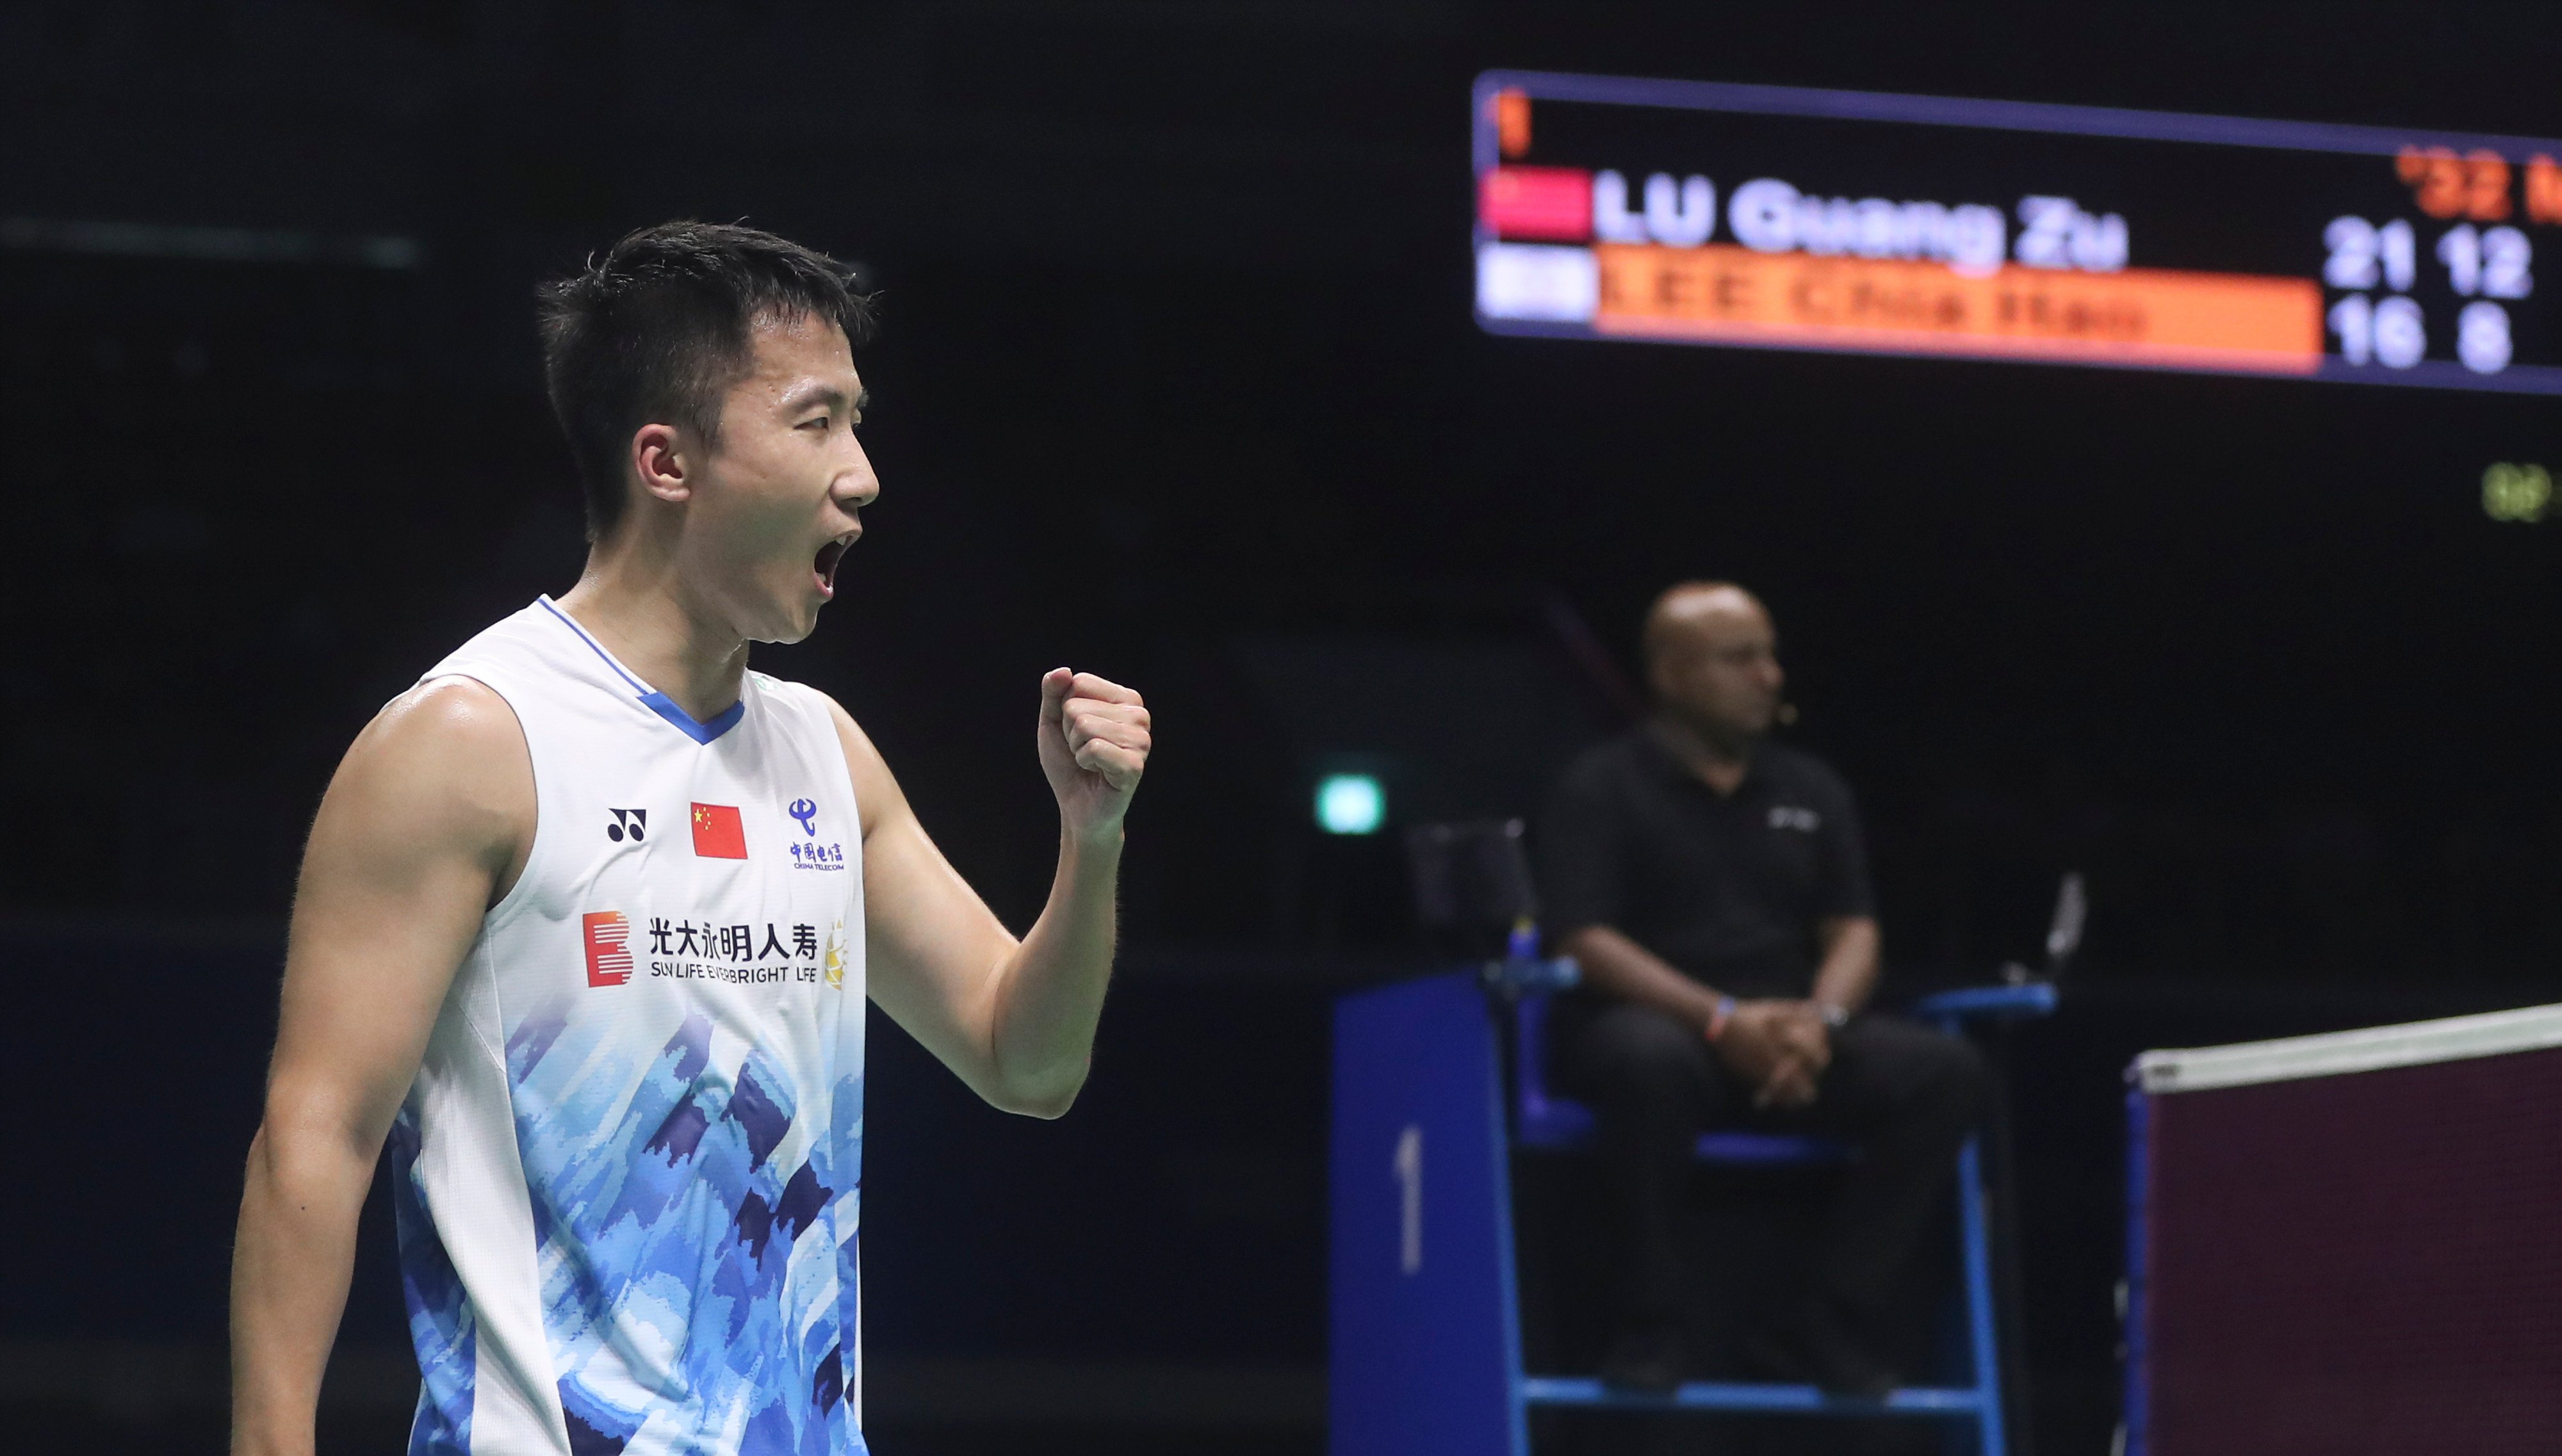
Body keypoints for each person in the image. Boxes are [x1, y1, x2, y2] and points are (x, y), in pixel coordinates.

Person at [229, 221, 1152, 1456]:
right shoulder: (470, 741)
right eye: (817, 421)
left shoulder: (825, 750)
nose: (866, 473)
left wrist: (1090, 845)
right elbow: (317, 1133)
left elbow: (1025, 1062)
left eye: (858, 420)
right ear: (667, 462)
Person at [1539, 581, 1982, 1398]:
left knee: (1944, 1073)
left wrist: (1819, 1021)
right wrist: (1719, 1021)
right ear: (1670, 676)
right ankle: (1651, 1324)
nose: (1768, 676)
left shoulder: (1811, 788)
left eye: (1769, 656)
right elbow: (1583, 938)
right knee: (1647, 1064)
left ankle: (1823, 1317)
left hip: (1789, 1038)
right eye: (1738, 659)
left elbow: (1853, 929)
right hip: (1658, 1031)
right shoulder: (1600, 786)